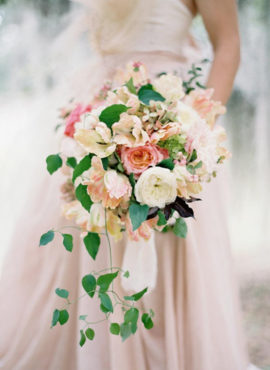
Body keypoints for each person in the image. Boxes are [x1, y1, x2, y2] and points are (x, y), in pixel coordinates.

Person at [0, 0, 250, 369]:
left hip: (169, 120)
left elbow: (228, 44)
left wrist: (193, 135)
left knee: (168, 240)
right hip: (97, 120)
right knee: (88, 232)